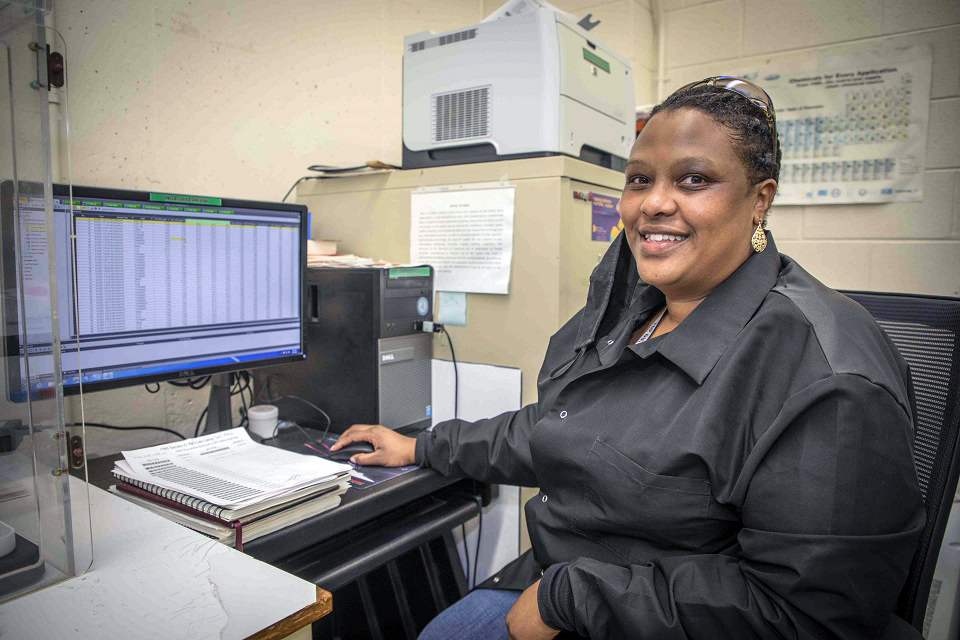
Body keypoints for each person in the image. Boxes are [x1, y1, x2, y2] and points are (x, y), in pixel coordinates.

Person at [332, 77, 926, 640]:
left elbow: (801, 615)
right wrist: (421, 447)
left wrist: (569, 598)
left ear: (759, 200)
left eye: (694, 180)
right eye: (639, 180)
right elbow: (561, 429)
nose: (654, 204)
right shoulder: (638, 307)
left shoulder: (829, 375)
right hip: (568, 575)